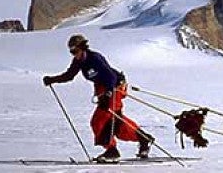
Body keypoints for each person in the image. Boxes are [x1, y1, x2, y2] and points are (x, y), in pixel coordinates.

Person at [43, 34, 155, 163]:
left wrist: (108, 94)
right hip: (104, 89)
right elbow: (69, 75)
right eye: (71, 52)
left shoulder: (94, 58)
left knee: (98, 120)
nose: (73, 54)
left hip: (114, 87)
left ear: (82, 47)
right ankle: (143, 139)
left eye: (75, 51)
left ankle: (112, 151)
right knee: (117, 122)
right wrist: (53, 79)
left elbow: (111, 77)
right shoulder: (79, 61)